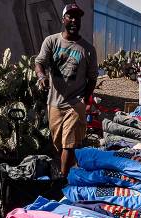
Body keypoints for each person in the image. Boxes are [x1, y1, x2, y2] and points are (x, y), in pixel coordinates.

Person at [35, 2, 97, 177]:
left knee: (68, 144)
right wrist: (42, 77)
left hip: (75, 102)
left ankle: (63, 180)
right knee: (57, 142)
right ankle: (73, 169)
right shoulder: (52, 41)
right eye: (70, 16)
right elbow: (39, 62)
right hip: (54, 102)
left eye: (77, 17)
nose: (74, 20)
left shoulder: (88, 49)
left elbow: (92, 78)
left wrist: (86, 99)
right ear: (63, 19)